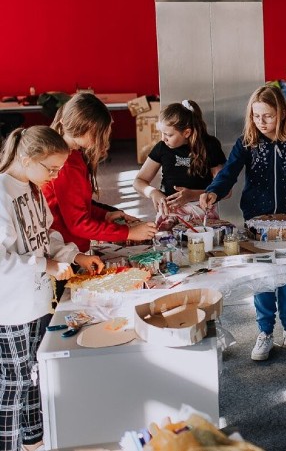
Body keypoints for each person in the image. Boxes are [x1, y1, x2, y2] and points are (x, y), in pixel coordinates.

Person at [200, 86, 286, 361]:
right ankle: (265, 331)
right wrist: (213, 190)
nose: (261, 122)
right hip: (257, 222)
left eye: (267, 116)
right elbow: (229, 173)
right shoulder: (247, 142)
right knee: (263, 280)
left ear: (282, 113)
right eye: (256, 116)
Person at [0, 127, 102, 451]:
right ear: (28, 159)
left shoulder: (31, 190)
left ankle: (33, 438)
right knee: (14, 383)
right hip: (12, 310)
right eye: (52, 169)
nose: (55, 176)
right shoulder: (2, 193)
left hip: (39, 300)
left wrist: (76, 256)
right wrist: (45, 265)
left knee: (35, 373)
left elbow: (49, 237)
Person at [43, 93, 156, 256]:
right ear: (88, 129)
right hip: (65, 250)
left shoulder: (72, 155)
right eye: (101, 133)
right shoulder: (66, 165)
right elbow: (79, 224)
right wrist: (129, 233)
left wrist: (105, 214)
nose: (104, 139)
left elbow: (76, 205)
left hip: (70, 246)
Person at [133, 99, 226, 225]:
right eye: (162, 133)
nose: (163, 138)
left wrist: (192, 195)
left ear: (186, 132)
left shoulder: (210, 146)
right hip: (170, 215)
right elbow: (139, 181)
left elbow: (225, 190)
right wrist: (153, 193)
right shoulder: (162, 147)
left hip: (202, 214)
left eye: (169, 135)